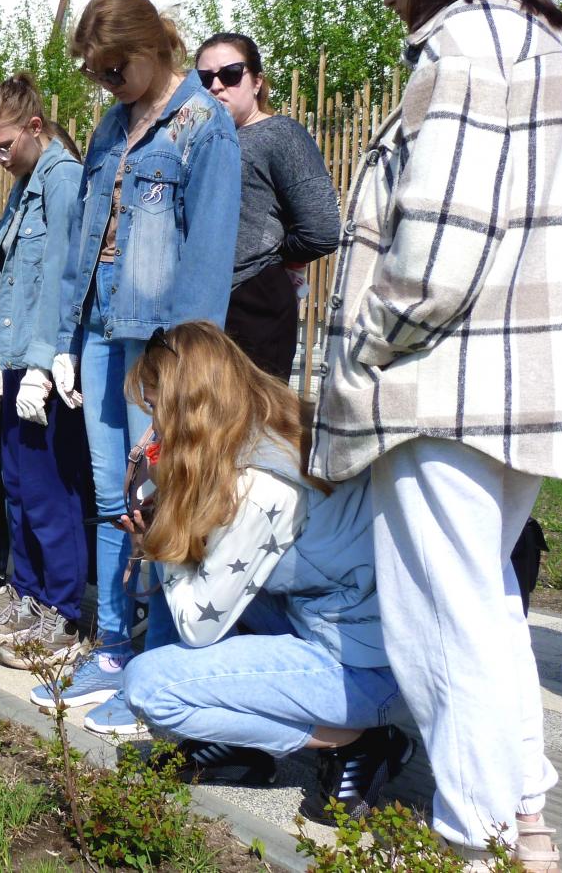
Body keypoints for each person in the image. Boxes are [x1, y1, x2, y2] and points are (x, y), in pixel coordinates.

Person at [312, 0, 562, 870]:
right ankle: (524, 816)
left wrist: (364, 347)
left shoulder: (458, 52)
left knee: (440, 621)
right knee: (484, 603)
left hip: (439, 385)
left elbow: (436, 257)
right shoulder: (561, 53)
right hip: (523, 387)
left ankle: (475, 836)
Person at [41, 0, 242, 734]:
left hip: (156, 345)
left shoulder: (203, 128)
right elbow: (84, 243)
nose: (106, 83)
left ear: (153, 46)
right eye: (97, 73)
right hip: (97, 333)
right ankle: (113, 646)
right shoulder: (109, 127)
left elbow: (208, 261)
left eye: (115, 67)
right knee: (105, 496)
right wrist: (65, 340)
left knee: (153, 503)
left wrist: (184, 369)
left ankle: (155, 667)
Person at [109, 322, 409, 814]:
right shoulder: (273, 430)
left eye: (155, 408)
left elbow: (197, 628)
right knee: (236, 595)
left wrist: (158, 542)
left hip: (366, 671)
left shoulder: (258, 483)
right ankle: (247, 744)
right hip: (362, 633)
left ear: (187, 407)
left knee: (152, 688)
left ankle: (354, 739)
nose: (154, 428)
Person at [0, 73, 93, 661]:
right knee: (17, 489)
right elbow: (10, 278)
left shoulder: (64, 180)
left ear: (34, 128)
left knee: (50, 491)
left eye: (4, 145)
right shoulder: (23, 186)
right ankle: (31, 595)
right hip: (16, 361)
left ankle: (63, 614)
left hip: (47, 367)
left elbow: (65, 282)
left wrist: (45, 366)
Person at [194, 33, 339, 380]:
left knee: (256, 426)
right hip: (201, 304)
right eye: (204, 78)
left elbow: (322, 229)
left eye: (230, 74)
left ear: (256, 81)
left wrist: (269, 258)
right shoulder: (198, 141)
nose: (216, 86)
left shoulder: (280, 134)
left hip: (254, 299)